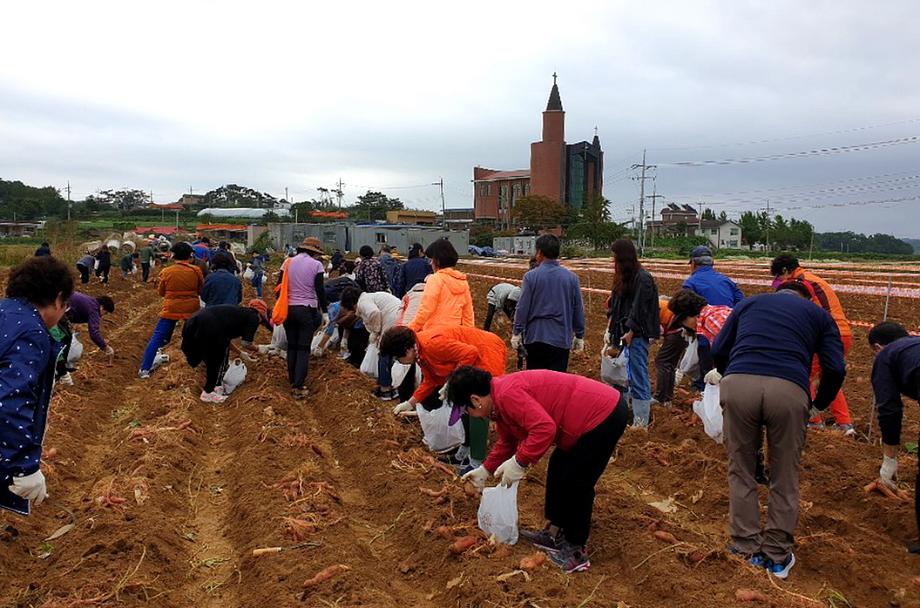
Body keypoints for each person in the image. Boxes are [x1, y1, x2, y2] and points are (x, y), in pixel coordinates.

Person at [710, 283, 845, 579]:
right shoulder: (819, 315)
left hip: (740, 383)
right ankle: (776, 555)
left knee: (741, 467)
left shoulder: (750, 304)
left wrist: (730, 371)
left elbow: (719, 348)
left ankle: (745, 546)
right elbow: (835, 369)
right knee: (785, 473)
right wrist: (817, 405)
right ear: (807, 299)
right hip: (789, 389)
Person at [453, 367, 627, 573]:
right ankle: (554, 533)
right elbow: (507, 441)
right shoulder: (498, 402)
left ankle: (576, 549)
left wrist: (520, 462)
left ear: (475, 400)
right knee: (558, 465)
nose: (470, 415)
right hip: (584, 416)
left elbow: (544, 428)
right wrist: (484, 470)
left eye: (467, 410)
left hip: (602, 414)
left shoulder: (507, 395)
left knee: (577, 480)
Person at [0, 256, 74, 510]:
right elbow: (9, 400)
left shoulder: (4, 313)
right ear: (58, 299)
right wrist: (24, 466)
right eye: (66, 305)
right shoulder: (31, 332)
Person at [383, 325, 507, 473]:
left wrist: (452, 381)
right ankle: (464, 452)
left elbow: (470, 353)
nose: (399, 361)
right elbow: (431, 380)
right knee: (462, 403)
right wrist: (410, 403)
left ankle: (476, 462)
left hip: (486, 352)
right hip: (472, 359)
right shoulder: (420, 353)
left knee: (477, 405)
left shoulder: (431, 345)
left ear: (407, 349)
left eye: (398, 357)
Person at [770, 254, 854, 434]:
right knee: (829, 377)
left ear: (785, 271)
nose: (779, 282)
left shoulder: (800, 284)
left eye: (778, 277)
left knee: (805, 375)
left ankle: (813, 421)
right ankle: (844, 423)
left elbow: (796, 312)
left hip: (826, 334)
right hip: (842, 332)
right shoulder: (813, 278)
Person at [867, 321, 920, 554]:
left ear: (878, 347)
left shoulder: (885, 356)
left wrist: (890, 461)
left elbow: (889, 409)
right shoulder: (913, 347)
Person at [605, 239, 659, 427]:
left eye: (615, 257)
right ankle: (622, 414)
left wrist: (632, 330)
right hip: (619, 334)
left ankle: (640, 421)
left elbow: (640, 308)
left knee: (638, 376)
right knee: (619, 376)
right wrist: (611, 327)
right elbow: (616, 305)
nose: (613, 261)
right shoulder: (622, 278)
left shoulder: (642, 278)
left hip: (635, 335)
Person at [511, 235, 584, 373]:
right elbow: (577, 308)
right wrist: (579, 334)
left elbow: (522, 307)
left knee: (536, 383)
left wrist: (517, 331)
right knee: (556, 384)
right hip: (561, 339)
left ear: (539, 253)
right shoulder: (571, 278)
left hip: (535, 338)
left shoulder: (531, 277)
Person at [181, 300, 270, 403]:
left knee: (211, 354)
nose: (260, 323)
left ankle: (214, 386)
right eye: (262, 320)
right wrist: (259, 348)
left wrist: (240, 353)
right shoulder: (253, 318)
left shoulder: (239, 313)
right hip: (207, 325)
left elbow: (225, 339)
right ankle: (208, 393)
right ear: (261, 314)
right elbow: (246, 343)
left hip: (195, 320)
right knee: (216, 358)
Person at [272, 237, 327, 399]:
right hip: (306, 310)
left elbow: (278, 286)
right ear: (314, 252)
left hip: (289, 309)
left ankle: (292, 379)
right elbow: (320, 290)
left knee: (292, 346)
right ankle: (298, 385)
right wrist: (324, 312)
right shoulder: (316, 265)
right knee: (303, 348)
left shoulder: (287, 262)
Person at [139, 242, 204, 378]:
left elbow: (161, 292)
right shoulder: (195, 270)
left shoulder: (166, 271)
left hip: (171, 308)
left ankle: (144, 369)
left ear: (173, 255)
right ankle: (196, 364)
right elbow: (200, 290)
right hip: (191, 308)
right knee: (196, 336)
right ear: (189, 255)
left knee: (157, 337)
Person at [340, 287, 403, 400]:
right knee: (391, 353)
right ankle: (392, 385)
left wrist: (376, 331)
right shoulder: (369, 297)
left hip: (393, 319)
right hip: (398, 316)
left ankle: (386, 389)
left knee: (383, 352)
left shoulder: (363, 302)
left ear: (352, 304)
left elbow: (374, 313)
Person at [667, 289, 732, 384]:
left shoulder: (711, 319)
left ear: (689, 315)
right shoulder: (712, 315)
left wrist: (724, 368)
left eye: (682, 321)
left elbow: (740, 343)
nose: (684, 325)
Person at [408, 239, 474, 332]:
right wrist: (468, 334)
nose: (430, 263)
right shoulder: (462, 282)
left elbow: (425, 310)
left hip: (434, 334)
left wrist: (410, 330)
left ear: (437, 261)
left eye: (431, 260)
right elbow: (468, 315)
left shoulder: (435, 279)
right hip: (454, 334)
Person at [653, 296, 684, 406]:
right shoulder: (660, 303)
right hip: (681, 331)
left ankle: (661, 397)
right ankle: (667, 397)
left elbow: (655, 331)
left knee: (662, 362)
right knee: (669, 364)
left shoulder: (651, 307)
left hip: (676, 331)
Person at [66, 292, 115, 360]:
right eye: (105, 312)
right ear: (102, 307)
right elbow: (94, 333)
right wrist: (106, 348)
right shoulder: (94, 310)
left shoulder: (90, 301)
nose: (103, 315)